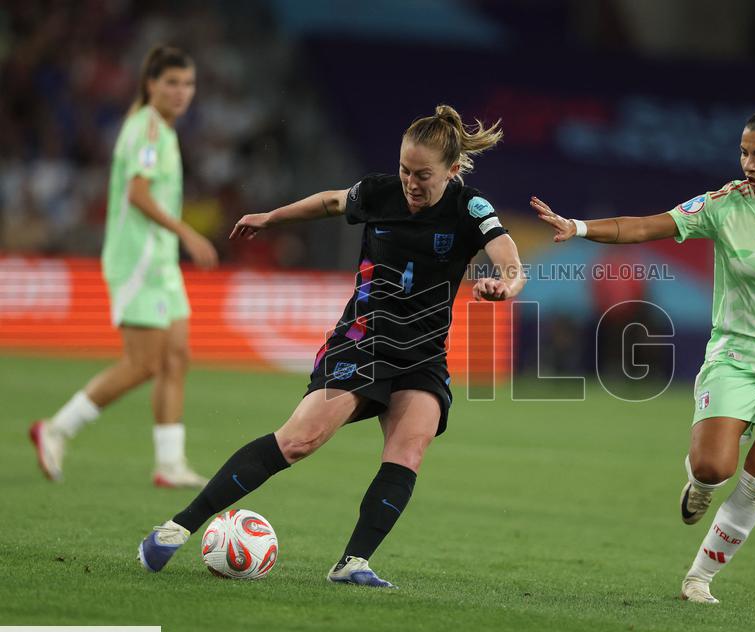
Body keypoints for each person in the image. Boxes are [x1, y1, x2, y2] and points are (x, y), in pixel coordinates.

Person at [137, 104, 525, 587]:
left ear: (451, 170)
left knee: (411, 448)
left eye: (423, 174)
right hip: (362, 340)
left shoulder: (471, 208)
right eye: (405, 170)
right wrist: (271, 218)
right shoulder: (379, 192)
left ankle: (353, 562)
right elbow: (328, 202)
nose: (410, 182)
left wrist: (507, 284)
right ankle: (176, 528)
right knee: (300, 440)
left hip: (422, 352)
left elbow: (507, 253)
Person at [532, 91, 755, 604]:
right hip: (737, 354)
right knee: (713, 468)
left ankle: (698, 578)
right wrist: (580, 228)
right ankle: (699, 484)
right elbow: (651, 224)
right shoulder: (723, 205)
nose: (748, 164)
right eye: (744, 152)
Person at [29, 45, 218, 488]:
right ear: (150, 84)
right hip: (138, 260)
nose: (181, 92)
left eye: (188, 84)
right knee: (143, 363)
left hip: (161, 262)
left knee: (177, 357)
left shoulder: (164, 131)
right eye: (172, 82)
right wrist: (187, 232)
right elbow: (137, 193)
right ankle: (57, 428)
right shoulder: (147, 130)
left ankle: (169, 463)